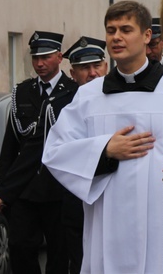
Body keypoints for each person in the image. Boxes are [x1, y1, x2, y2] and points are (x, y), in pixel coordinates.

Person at [42, 1, 163, 274]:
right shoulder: (88, 96)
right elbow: (55, 152)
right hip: (109, 224)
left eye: (125, 29)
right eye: (111, 30)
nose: (116, 37)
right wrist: (104, 150)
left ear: (147, 36)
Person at [0, 31, 78, 274]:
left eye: (46, 57)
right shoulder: (23, 92)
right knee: (20, 248)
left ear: (59, 57)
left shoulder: (73, 92)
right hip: (25, 190)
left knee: (59, 253)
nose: (39, 63)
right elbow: (11, 145)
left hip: (58, 189)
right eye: (35, 58)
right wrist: (2, 185)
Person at [60, 36, 109, 273]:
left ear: (106, 67)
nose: (92, 73)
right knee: (78, 261)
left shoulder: (120, 99)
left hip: (112, 197)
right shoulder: (62, 104)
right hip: (75, 198)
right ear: (72, 73)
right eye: (84, 68)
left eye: (96, 66)